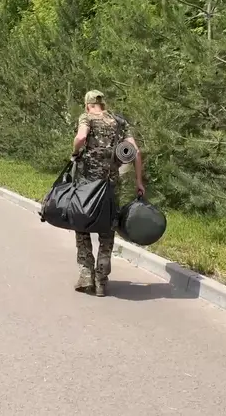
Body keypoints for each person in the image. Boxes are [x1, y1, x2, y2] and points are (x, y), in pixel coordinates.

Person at [71, 90, 144, 297]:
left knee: (82, 223)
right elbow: (135, 152)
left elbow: (81, 137)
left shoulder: (87, 117)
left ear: (88, 105)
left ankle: (86, 275)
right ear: (103, 104)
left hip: (87, 184)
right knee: (107, 228)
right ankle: (101, 280)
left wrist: (75, 152)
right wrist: (139, 182)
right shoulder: (119, 121)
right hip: (110, 185)